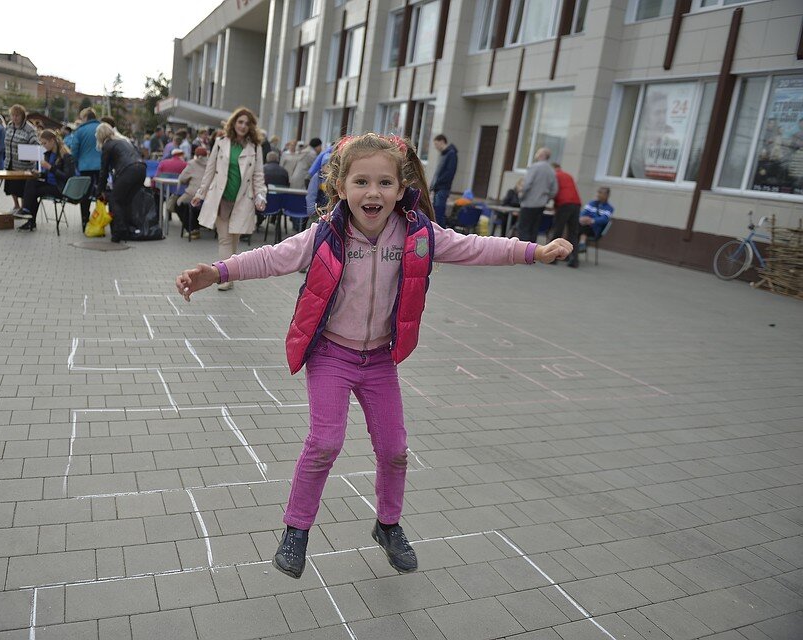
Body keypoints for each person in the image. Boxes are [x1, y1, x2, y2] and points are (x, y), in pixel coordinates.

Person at [175, 133, 572, 580]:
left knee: (395, 450)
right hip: (331, 355)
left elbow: (475, 246)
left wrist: (533, 252)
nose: (373, 192)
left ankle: (387, 525)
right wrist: (219, 270)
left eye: (385, 183)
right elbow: (273, 257)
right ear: (341, 187)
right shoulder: (326, 234)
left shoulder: (417, 234)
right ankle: (296, 530)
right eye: (361, 181)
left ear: (400, 191)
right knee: (325, 442)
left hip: (379, 360)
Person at [191, 106, 267, 291]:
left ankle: (229, 274)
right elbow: (210, 171)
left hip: (243, 201)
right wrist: (200, 193)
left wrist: (261, 196)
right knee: (225, 239)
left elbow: (258, 175)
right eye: (240, 122)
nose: (243, 126)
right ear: (234, 123)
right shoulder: (220, 142)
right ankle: (224, 278)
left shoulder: (255, 147)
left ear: (251, 127)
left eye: (247, 123)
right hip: (221, 199)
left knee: (234, 239)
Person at [12, 129, 78, 231]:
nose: (43, 146)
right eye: (41, 143)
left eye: (45, 143)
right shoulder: (48, 154)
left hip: (61, 187)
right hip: (50, 184)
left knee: (34, 191)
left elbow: (68, 176)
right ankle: (27, 214)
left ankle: (28, 215)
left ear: (52, 141)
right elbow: (48, 175)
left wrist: (50, 167)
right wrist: (40, 174)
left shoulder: (65, 156)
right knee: (31, 182)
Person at [96, 121, 144, 243]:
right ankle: (127, 230)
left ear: (100, 136)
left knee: (115, 199)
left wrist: (99, 190)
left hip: (129, 170)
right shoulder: (123, 141)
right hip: (141, 169)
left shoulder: (108, 145)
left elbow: (104, 171)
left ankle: (119, 231)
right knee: (126, 201)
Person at [68, 108, 101, 230]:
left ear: (85, 117)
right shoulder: (102, 127)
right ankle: (100, 219)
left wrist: (76, 163)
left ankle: (85, 221)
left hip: (85, 166)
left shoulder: (80, 131)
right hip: (101, 167)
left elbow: (74, 150)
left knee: (85, 194)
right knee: (100, 193)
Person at [3, 104, 39, 214]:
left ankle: (24, 208)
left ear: (23, 116)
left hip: (23, 165)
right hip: (10, 162)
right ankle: (16, 205)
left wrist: (32, 156)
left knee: (22, 188)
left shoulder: (29, 129)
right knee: (11, 187)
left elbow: (36, 144)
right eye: (12, 115)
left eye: (17, 116)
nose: (14, 118)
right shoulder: (9, 126)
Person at [518, 147, 557, 242]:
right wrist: (546, 199)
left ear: (542, 155)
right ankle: (531, 253)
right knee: (534, 230)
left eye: (538, 152)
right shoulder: (551, 170)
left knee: (524, 229)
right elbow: (554, 189)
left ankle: (522, 254)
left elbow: (527, 184)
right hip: (541, 204)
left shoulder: (534, 167)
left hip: (528, 203)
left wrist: (521, 196)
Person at [572, 187, 614, 268]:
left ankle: (573, 252)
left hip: (595, 230)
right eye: (598, 192)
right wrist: (582, 218)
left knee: (577, 230)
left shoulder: (609, 208)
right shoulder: (592, 203)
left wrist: (592, 220)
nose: (598, 194)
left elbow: (604, 219)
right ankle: (581, 245)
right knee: (577, 227)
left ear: (607, 195)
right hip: (584, 226)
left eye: (601, 193)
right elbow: (583, 213)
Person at [550, 162, 581, 259]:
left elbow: (554, 191)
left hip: (564, 204)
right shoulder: (568, 175)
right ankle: (574, 259)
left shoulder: (554, 175)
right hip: (576, 204)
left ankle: (553, 257)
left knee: (558, 230)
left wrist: (555, 207)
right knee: (573, 232)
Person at [176, 146, 209, 238]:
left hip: (195, 194)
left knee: (179, 204)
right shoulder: (211, 163)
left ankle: (192, 229)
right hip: (209, 197)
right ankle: (198, 226)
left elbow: (182, 178)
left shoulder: (192, 163)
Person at [430, 134, 458, 224]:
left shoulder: (451, 154)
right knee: (435, 213)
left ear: (442, 141)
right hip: (438, 188)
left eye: (436, 144)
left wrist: (437, 183)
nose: (436, 147)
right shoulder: (444, 154)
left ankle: (442, 235)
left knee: (439, 213)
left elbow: (449, 173)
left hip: (442, 188)